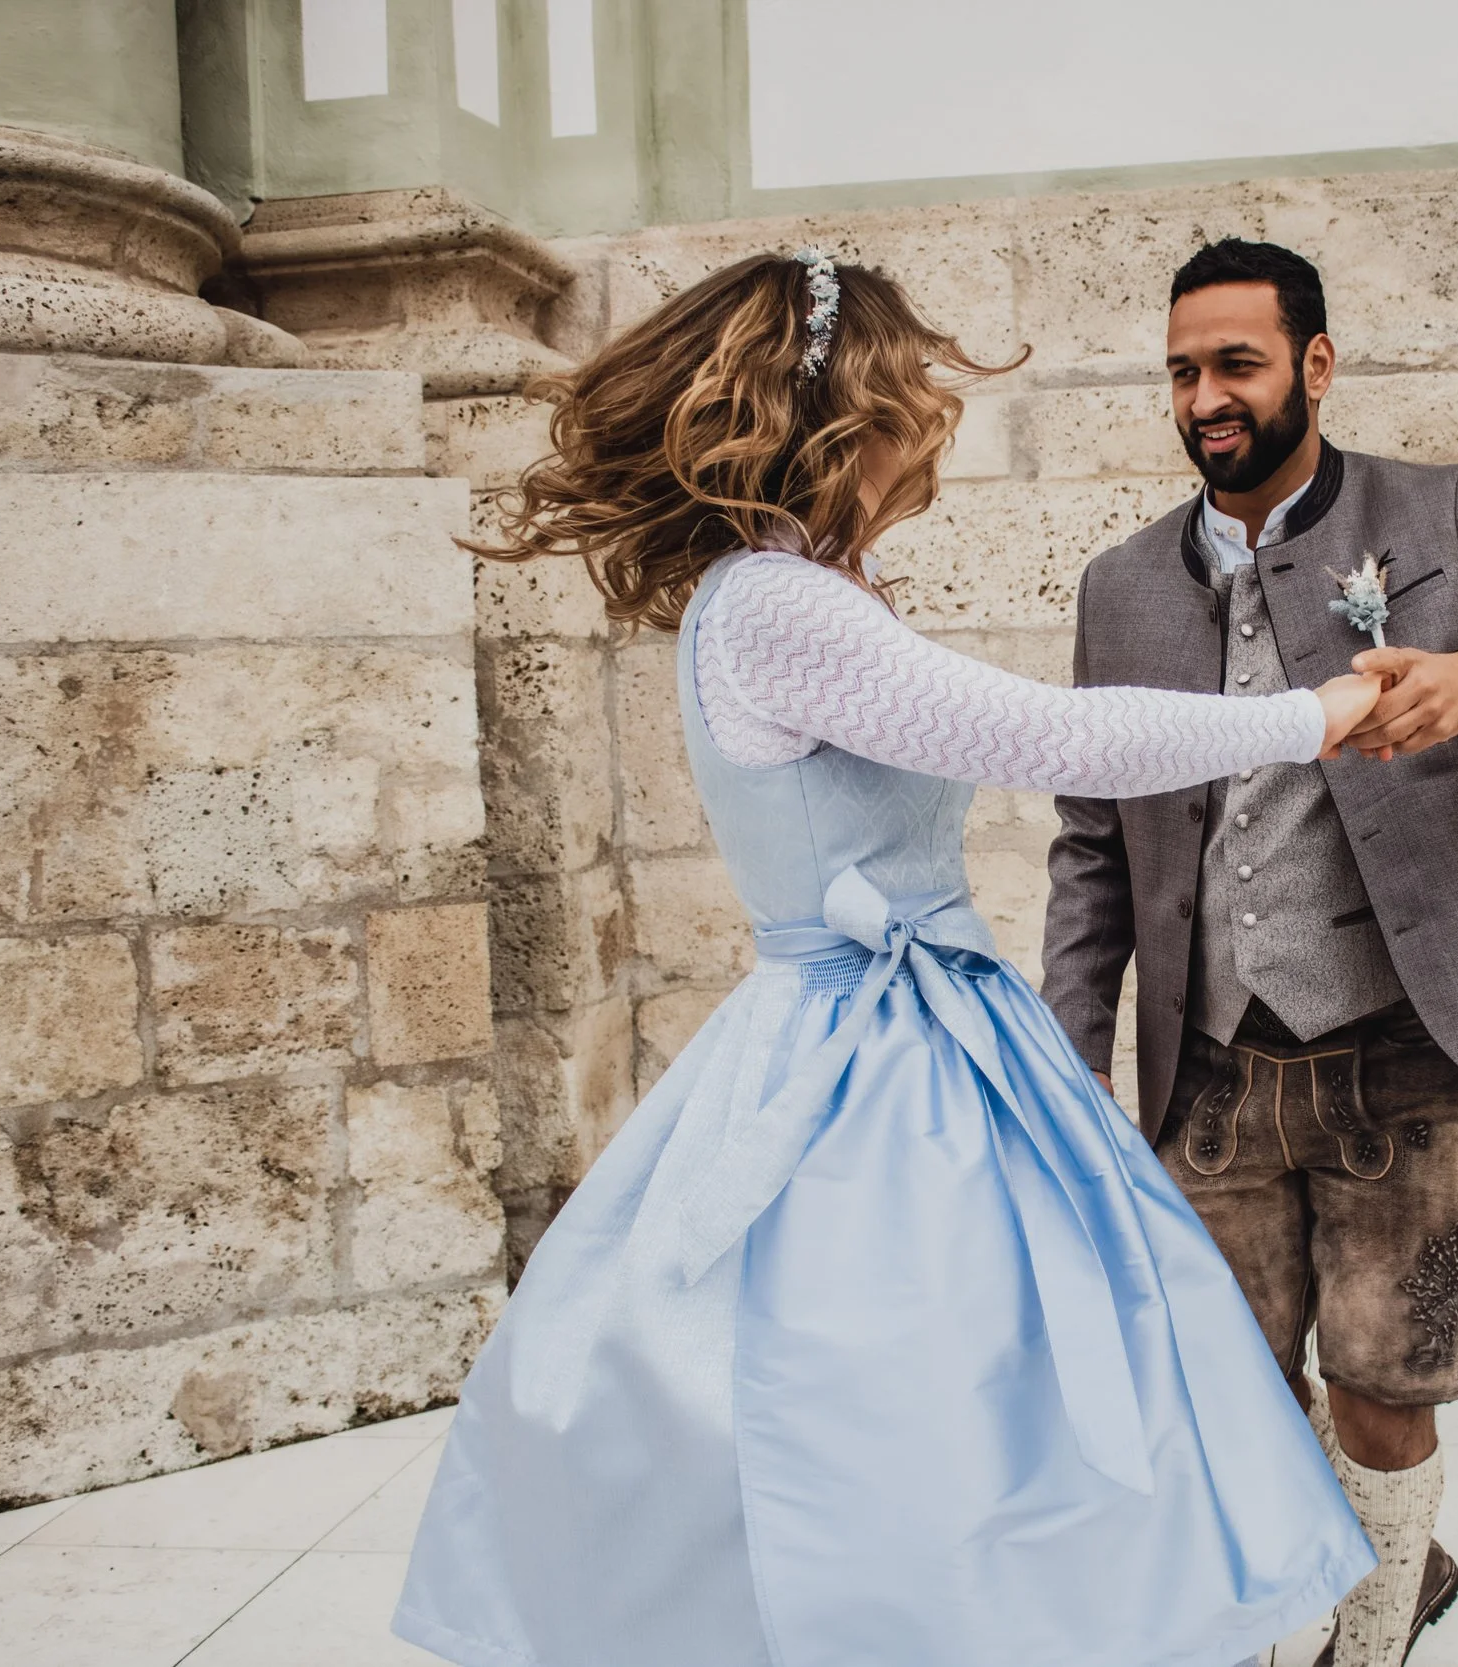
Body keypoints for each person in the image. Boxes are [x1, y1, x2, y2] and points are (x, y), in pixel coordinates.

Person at [390, 251, 1385, 1667]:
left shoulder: (803, 589)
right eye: (907, 383)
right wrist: (1312, 715)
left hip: (928, 1031)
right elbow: (1054, 738)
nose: (930, 411)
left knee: (986, 1389)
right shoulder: (776, 606)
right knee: (893, 1399)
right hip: (863, 1065)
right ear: (842, 409)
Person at [1042, 240, 1458, 1667]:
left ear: (1314, 365)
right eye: (1183, 371)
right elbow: (1093, 845)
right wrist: (1070, 1056)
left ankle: (1369, 1639)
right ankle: (1308, 1600)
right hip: (1209, 1067)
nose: (1206, 398)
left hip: (1407, 1045)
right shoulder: (1121, 586)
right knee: (1227, 1392)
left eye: (1237, 364)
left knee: (1383, 1383)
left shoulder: (1433, 509)